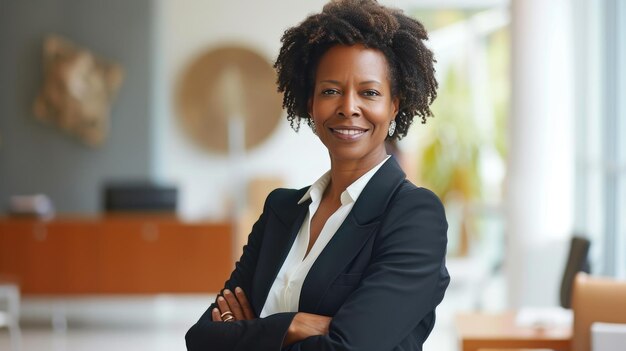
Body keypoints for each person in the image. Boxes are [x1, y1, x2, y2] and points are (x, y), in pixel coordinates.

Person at [185, 0, 449, 350]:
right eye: (330, 91)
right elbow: (202, 338)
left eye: (369, 92)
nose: (348, 107)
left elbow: (348, 347)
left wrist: (256, 331)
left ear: (394, 105)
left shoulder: (414, 216)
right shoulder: (282, 209)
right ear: (311, 103)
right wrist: (294, 325)